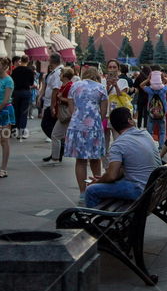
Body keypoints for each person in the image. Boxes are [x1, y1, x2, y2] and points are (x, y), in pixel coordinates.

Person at [85, 107, 161, 208]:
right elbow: (116, 174)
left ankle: (96, 220)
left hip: (140, 189)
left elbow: (112, 176)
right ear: (130, 121)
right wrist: (104, 178)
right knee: (110, 183)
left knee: (91, 190)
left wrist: (99, 181)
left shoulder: (119, 144)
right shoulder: (145, 134)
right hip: (156, 187)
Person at [64, 65, 108, 205]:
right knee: (95, 159)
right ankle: (95, 188)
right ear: (97, 76)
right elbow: (103, 112)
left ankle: (82, 193)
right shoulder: (101, 88)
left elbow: (71, 106)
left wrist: (77, 117)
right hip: (93, 125)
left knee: (80, 160)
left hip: (77, 125)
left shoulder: (75, 86)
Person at [49, 67, 75, 163]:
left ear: (64, 76)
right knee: (60, 135)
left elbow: (72, 100)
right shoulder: (65, 85)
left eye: (61, 74)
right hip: (63, 114)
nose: (59, 75)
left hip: (66, 114)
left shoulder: (69, 86)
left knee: (55, 135)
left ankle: (55, 158)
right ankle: (56, 156)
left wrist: (61, 98)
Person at [40, 54, 63, 158]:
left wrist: (53, 106)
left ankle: (60, 146)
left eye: (49, 59)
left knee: (46, 125)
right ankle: (56, 152)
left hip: (52, 104)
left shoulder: (58, 72)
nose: (48, 61)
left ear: (52, 61)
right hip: (49, 102)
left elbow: (56, 89)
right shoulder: (54, 72)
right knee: (53, 128)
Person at [10, 56, 36, 138]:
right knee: (24, 112)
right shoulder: (30, 71)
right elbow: (31, 83)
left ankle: (15, 131)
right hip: (26, 92)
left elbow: (12, 81)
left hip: (16, 92)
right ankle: (22, 131)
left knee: (16, 111)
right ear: (28, 61)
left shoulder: (15, 70)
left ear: (21, 61)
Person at [144, 65, 167, 145]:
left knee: (149, 132)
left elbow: (141, 85)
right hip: (162, 113)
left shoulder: (149, 90)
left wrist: (148, 79)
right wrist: (164, 78)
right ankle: (161, 147)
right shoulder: (164, 89)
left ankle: (150, 146)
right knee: (162, 131)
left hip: (151, 113)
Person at [132, 65, 151, 129]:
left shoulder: (139, 77)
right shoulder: (150, 78)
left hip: (140, 96)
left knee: (139, 112)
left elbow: (135, 85)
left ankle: (139, 125)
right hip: (148, 96)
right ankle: (145, 125)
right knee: (146, 112)